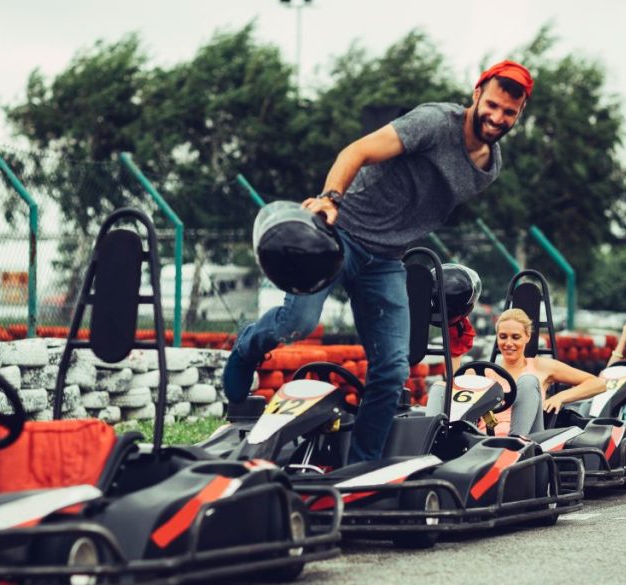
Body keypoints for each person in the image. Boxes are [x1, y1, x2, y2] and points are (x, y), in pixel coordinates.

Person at [224, 60, 534, 463]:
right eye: (492, 104)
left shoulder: (490, 167)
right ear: (477, 94)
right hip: (341, 237)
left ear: (519, 114)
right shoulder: (435, 122)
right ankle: (248, 346)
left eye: (509, 112)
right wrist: (330, 198)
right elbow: (358, 151)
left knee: (392, 368)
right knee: (297, 323)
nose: (497, 117)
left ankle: (363, 467)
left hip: (387, 260)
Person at [466, 308, 606, 436]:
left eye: (515, 337)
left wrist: (560, 397)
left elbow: (598, 384)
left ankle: (513, 445)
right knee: (467, 375)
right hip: (484, 442)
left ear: (527, 337)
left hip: (528, 441)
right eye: (503, 337)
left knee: (528, 380)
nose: (508, 343)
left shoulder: (540, 366)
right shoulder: (485, 372)